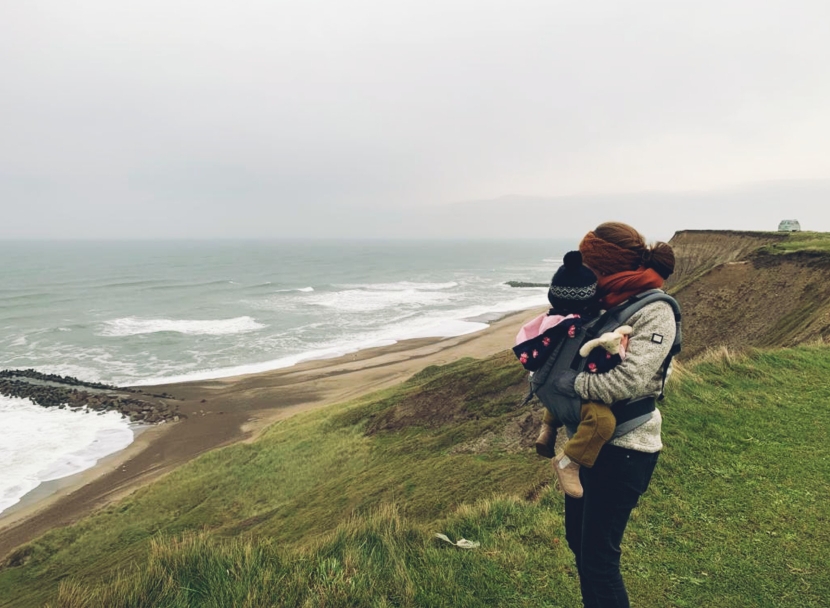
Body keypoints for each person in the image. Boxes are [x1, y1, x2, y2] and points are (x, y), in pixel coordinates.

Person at [555, 221, 677, 608]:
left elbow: (627, 381)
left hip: (627, 447)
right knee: (579, 543)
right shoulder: (607, 304)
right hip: (588, 446)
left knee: (598, 559)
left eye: (588, 264)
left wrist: (565, 384)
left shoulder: (656, 311)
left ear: (602, 265)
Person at [513, 251, 632, 498]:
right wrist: (617, 351)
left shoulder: (548, 322)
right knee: (603, 422)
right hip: (564, 389)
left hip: (545, 388)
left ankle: (547, 430)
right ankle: (569, 462)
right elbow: (591, 364)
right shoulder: (578, 329)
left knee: (560, 396)